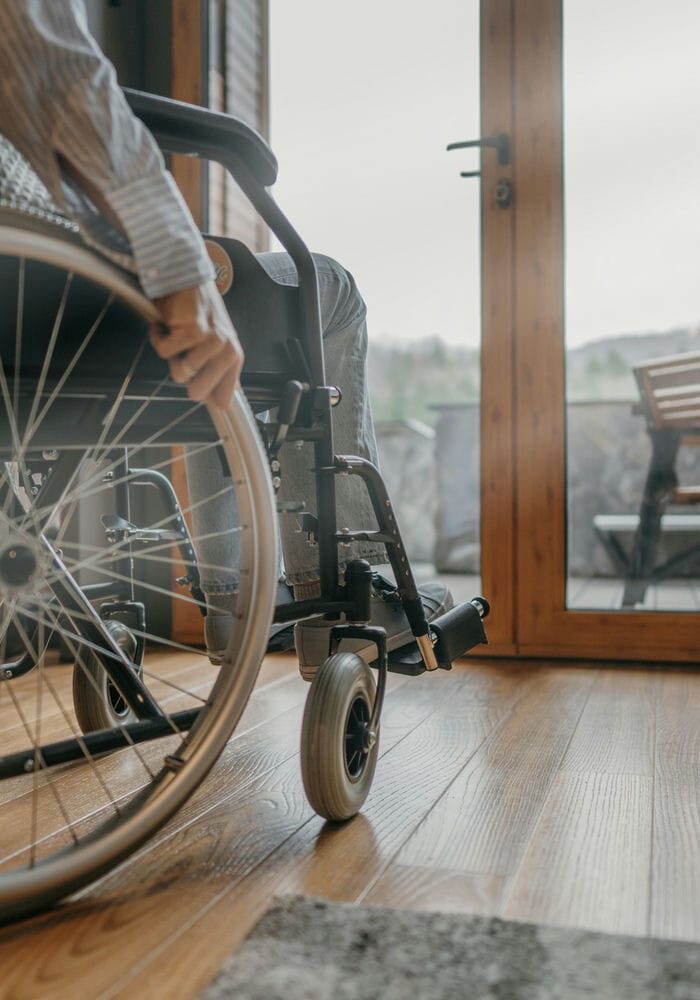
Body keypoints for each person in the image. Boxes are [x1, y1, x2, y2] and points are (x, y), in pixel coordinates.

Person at [0, 0, 452, 677]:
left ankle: (229, 604)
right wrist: (177, 258)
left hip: (29, 319)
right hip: (63, 301)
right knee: (331, 288)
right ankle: (355, 598)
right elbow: (56, 74)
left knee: (215, 332)